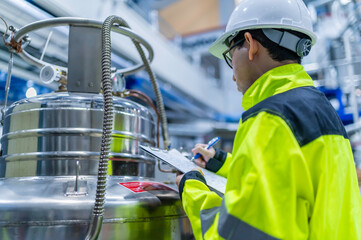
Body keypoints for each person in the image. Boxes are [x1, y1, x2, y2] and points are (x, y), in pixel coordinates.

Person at [176, 0, 361, 239]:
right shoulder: (320, 109)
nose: (232, 74)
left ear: (251, 45)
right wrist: (219, 163)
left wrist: (190, 186)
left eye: (231, 56)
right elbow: (284, 178)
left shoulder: (270, 118)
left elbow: (237, 233)